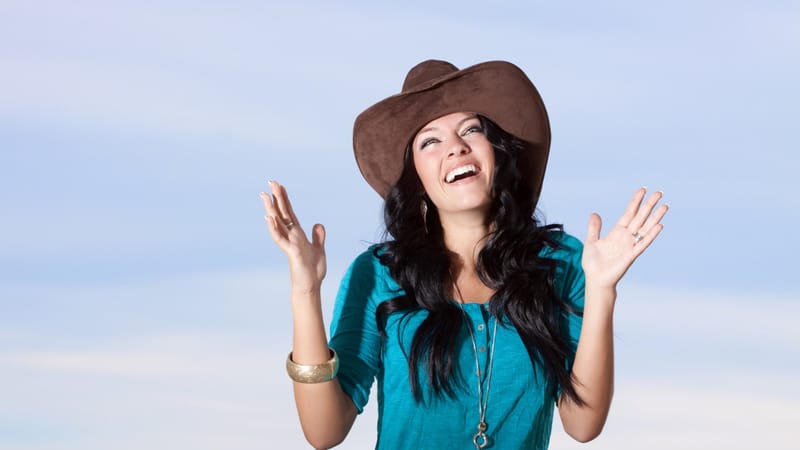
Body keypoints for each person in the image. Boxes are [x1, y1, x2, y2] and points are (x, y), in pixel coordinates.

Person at [260, 60, 668, 450]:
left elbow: (583, 425)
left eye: (470, 130)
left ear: (496, 152)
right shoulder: (380, 273)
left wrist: (602, 291)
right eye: (430, 141)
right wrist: (305, 291)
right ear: (416, 180)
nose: (454, 148)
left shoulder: (561, 263)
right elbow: (323, 431)